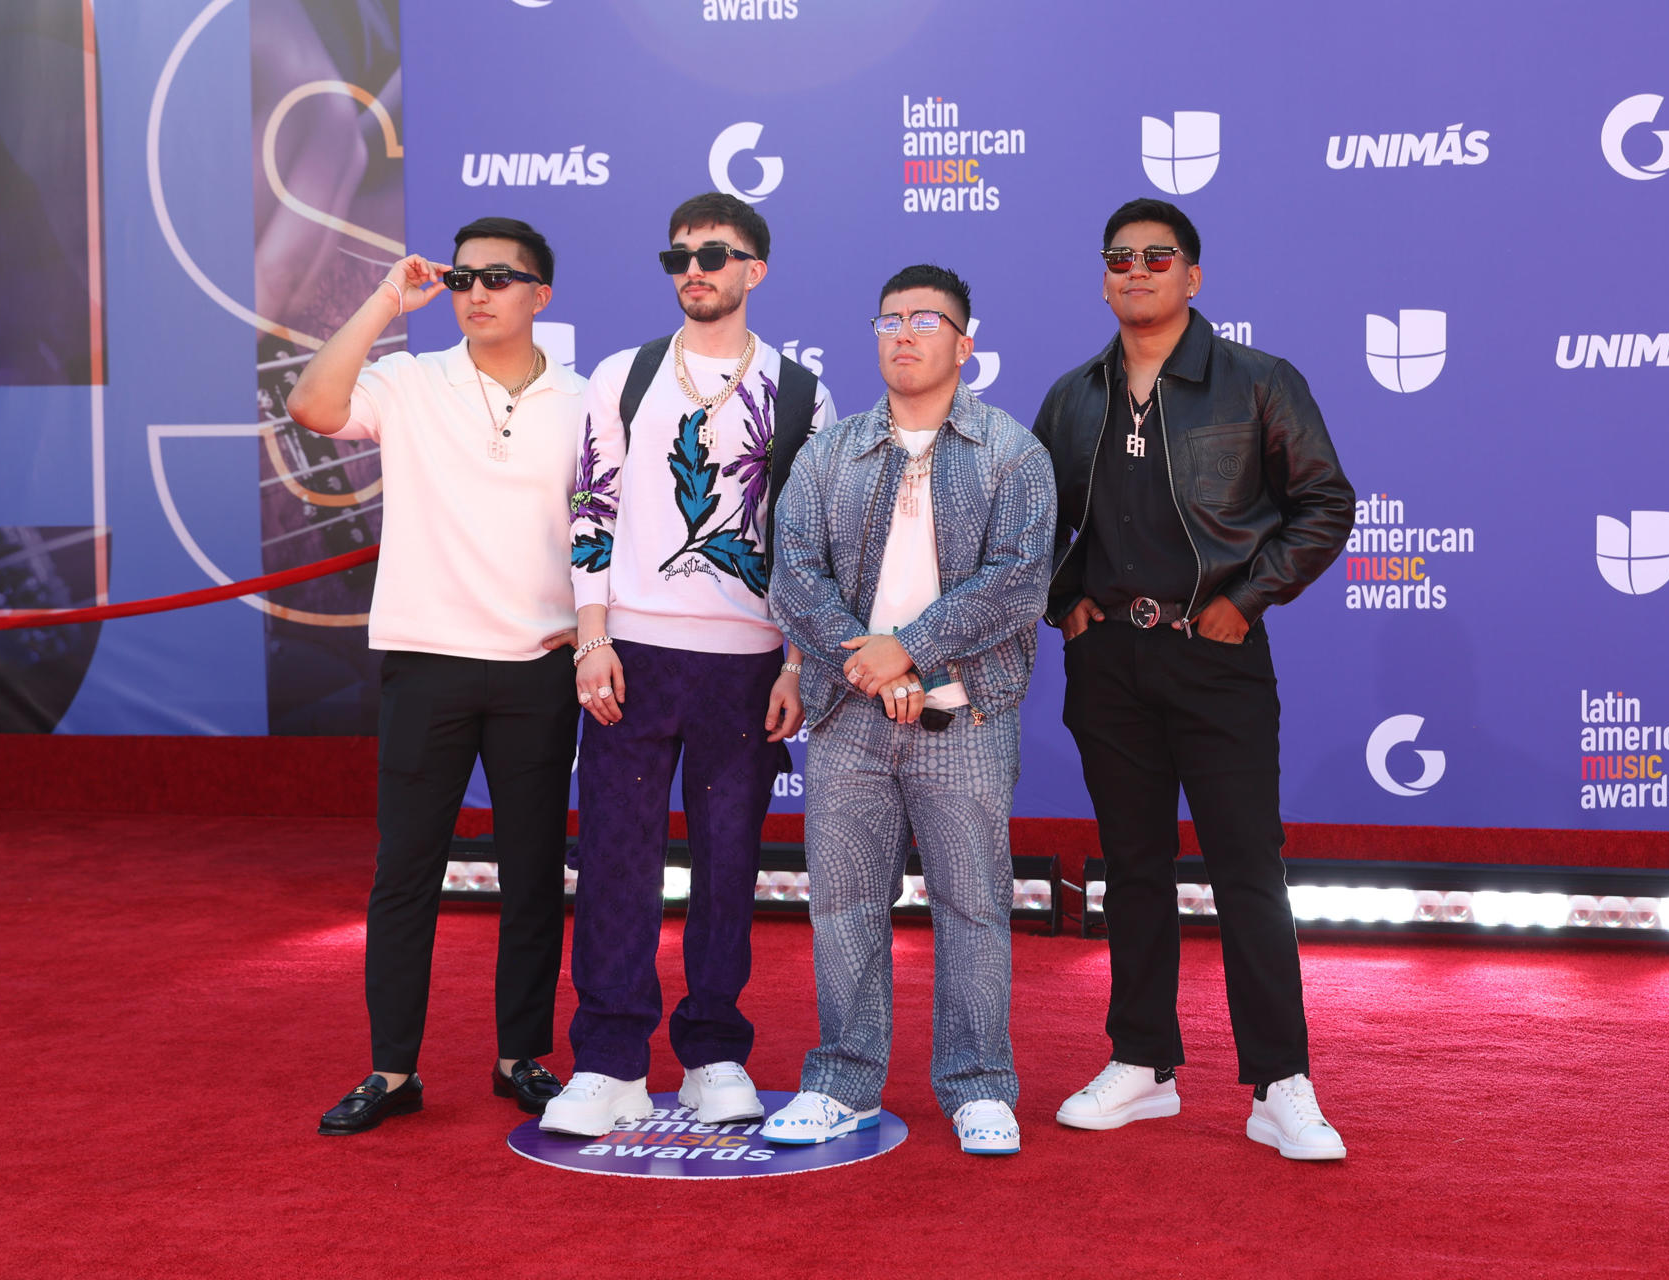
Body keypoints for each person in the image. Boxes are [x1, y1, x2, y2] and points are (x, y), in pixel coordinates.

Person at [1032, 198, 1356, 1159]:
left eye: (1158, 257)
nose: (1138, 271)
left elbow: (1324, 502)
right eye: (1120, 258)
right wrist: (1064, 603)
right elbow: (1031, 520)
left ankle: (1280, 1083)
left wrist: (1247, 600)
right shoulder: (1075, 394)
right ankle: (1142, 1065)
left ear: (1193, 276)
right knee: (1132, 868)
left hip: (1216, 658)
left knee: (1248, 871)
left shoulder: (1256, 381)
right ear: (1103, 276)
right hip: (1110, 668)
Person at [539, 193, 835, 1137]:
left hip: (747, 665)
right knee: (617, 860)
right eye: (679, 255)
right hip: (633, 656)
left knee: (730, 864)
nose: (694, 268)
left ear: (756, 269)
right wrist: (592, 637)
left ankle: (715, 1050)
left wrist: (796, 663)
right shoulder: (623, 377)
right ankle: (610, 1060)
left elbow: (810, 543)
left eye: (716, 253)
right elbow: (591, 510)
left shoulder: (801, 393)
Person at [288, 217, 584, 1135]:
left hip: (541, 665)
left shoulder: (585, 400)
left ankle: (521, 1056)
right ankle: (391, 1071)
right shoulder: (410, 381)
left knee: (533, 872)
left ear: (541, 293)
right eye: (464, 278)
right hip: (426, 665)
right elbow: (312, 407)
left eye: (501, 278)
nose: (478, 292)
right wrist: (387, 300)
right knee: (405, 872)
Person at [762, 264, 1053, 1156]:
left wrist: (910, 647)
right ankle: (842, 1081)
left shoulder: (1012, 451)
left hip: (963, 718)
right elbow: (794, 574)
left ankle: (977, 1087)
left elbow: (1017, 579)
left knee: (974, 904)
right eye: (889, 318)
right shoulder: (829, 451)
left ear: (965, 345)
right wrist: (869, 661)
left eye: (927, 320)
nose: (904, 333)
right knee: (844, 902)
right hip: (850, 718)